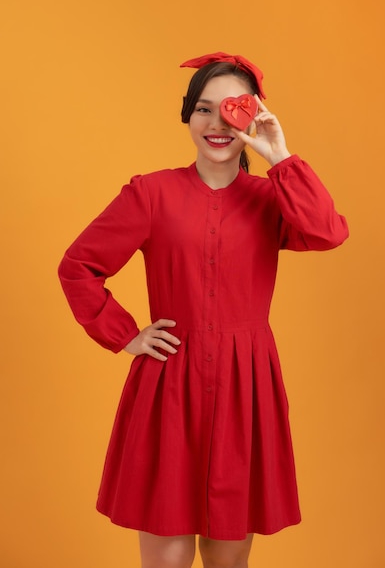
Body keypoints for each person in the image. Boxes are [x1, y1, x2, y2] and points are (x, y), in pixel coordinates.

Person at [58, 51, 349, 568]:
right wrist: (125, 334)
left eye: (232, 110)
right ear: (187, 117)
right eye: (203, 110)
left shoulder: (270, 199)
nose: (216, 125)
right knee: (166, 560)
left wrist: (280, 156)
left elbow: (328, 232)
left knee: (227, 561)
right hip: (169, 387)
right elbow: (79, 265)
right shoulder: (150, 193)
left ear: (253, 116)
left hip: (245, 389)